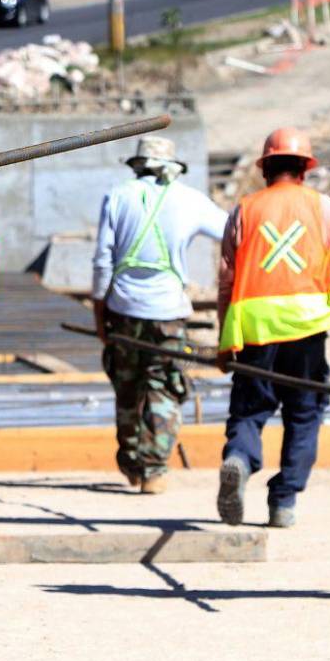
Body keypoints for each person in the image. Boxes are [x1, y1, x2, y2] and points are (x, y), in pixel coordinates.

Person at [216, 127, 330, 528]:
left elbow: (227, 279)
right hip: (305, 328)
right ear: (303, 169)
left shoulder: (243, 211)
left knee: (249, 408)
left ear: (266, 169)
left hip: (254, 327)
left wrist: (223, 340)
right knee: (304, 413)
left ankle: (239, 459)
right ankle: (283, 502)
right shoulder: (325, 208)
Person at [91, 136, 227, 493]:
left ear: (136, 164)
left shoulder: (118, 195)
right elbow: (233, 232)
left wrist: (99, 310)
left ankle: (132, 463)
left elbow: (103, 260)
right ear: (173, 166)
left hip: (122, 308)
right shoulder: (189, 199)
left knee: (127, 384)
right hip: (168, 309)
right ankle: (154, 469)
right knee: (162, 384)